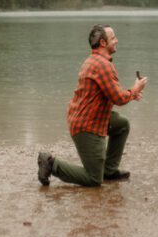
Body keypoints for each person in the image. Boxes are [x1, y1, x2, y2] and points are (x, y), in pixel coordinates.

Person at [38, 24, 148, 187]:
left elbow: (112, 93)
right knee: (94, 179)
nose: (117, 41)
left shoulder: (96, 61)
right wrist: (135, 89)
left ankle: (109, 171)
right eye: (113, 38)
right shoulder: (102, 65)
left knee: (122, 125)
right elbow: (118, 98)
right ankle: (51, 164)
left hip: (88, 116)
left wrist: (131, 93)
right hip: (87, 125)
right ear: (103, 43)